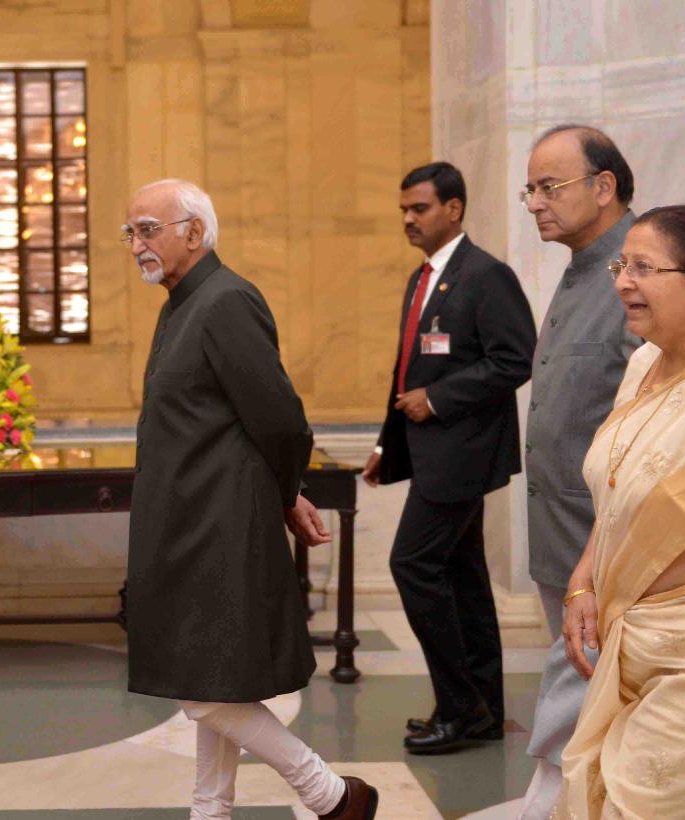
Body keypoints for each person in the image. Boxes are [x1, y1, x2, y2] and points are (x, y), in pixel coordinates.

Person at [125, 179, 377, 820]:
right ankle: (210, 811)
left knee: (201, 688)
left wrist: (289, 493)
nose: (137, 244)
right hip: (188, 524)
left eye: (148, 229)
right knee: (217, 679)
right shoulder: (183, 303)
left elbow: (280, 418)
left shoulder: (226, 300)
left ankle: (330, 794)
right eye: (130, 233)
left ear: (194, 232)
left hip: (218, 528)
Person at [554, 204, 685, 818]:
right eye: (621, 266)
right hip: (634, 637)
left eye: (644, 268)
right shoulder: (644, 363)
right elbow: (620, 490)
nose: (623, 282)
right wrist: (584, 579)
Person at [362, 161, 536, 754]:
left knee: (412, 564)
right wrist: (386, 445)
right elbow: (408, 369)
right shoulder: (423, 278)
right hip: (433, 452)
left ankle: (460, 708)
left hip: (464, 454)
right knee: (463, 578)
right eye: (404, 210)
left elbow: (514, 359)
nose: (408, 220)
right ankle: (481, 711)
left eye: (420, 208)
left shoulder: (486, 275)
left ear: (453, 208)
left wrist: (436, 399)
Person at [518, 125, 642, 818]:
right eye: (529, 190)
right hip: (560, 533)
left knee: (574, 711)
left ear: (604, 186)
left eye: (549, 186)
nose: (535, 203)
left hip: (607, 547)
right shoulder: (580, 270)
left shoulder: (640, 271)